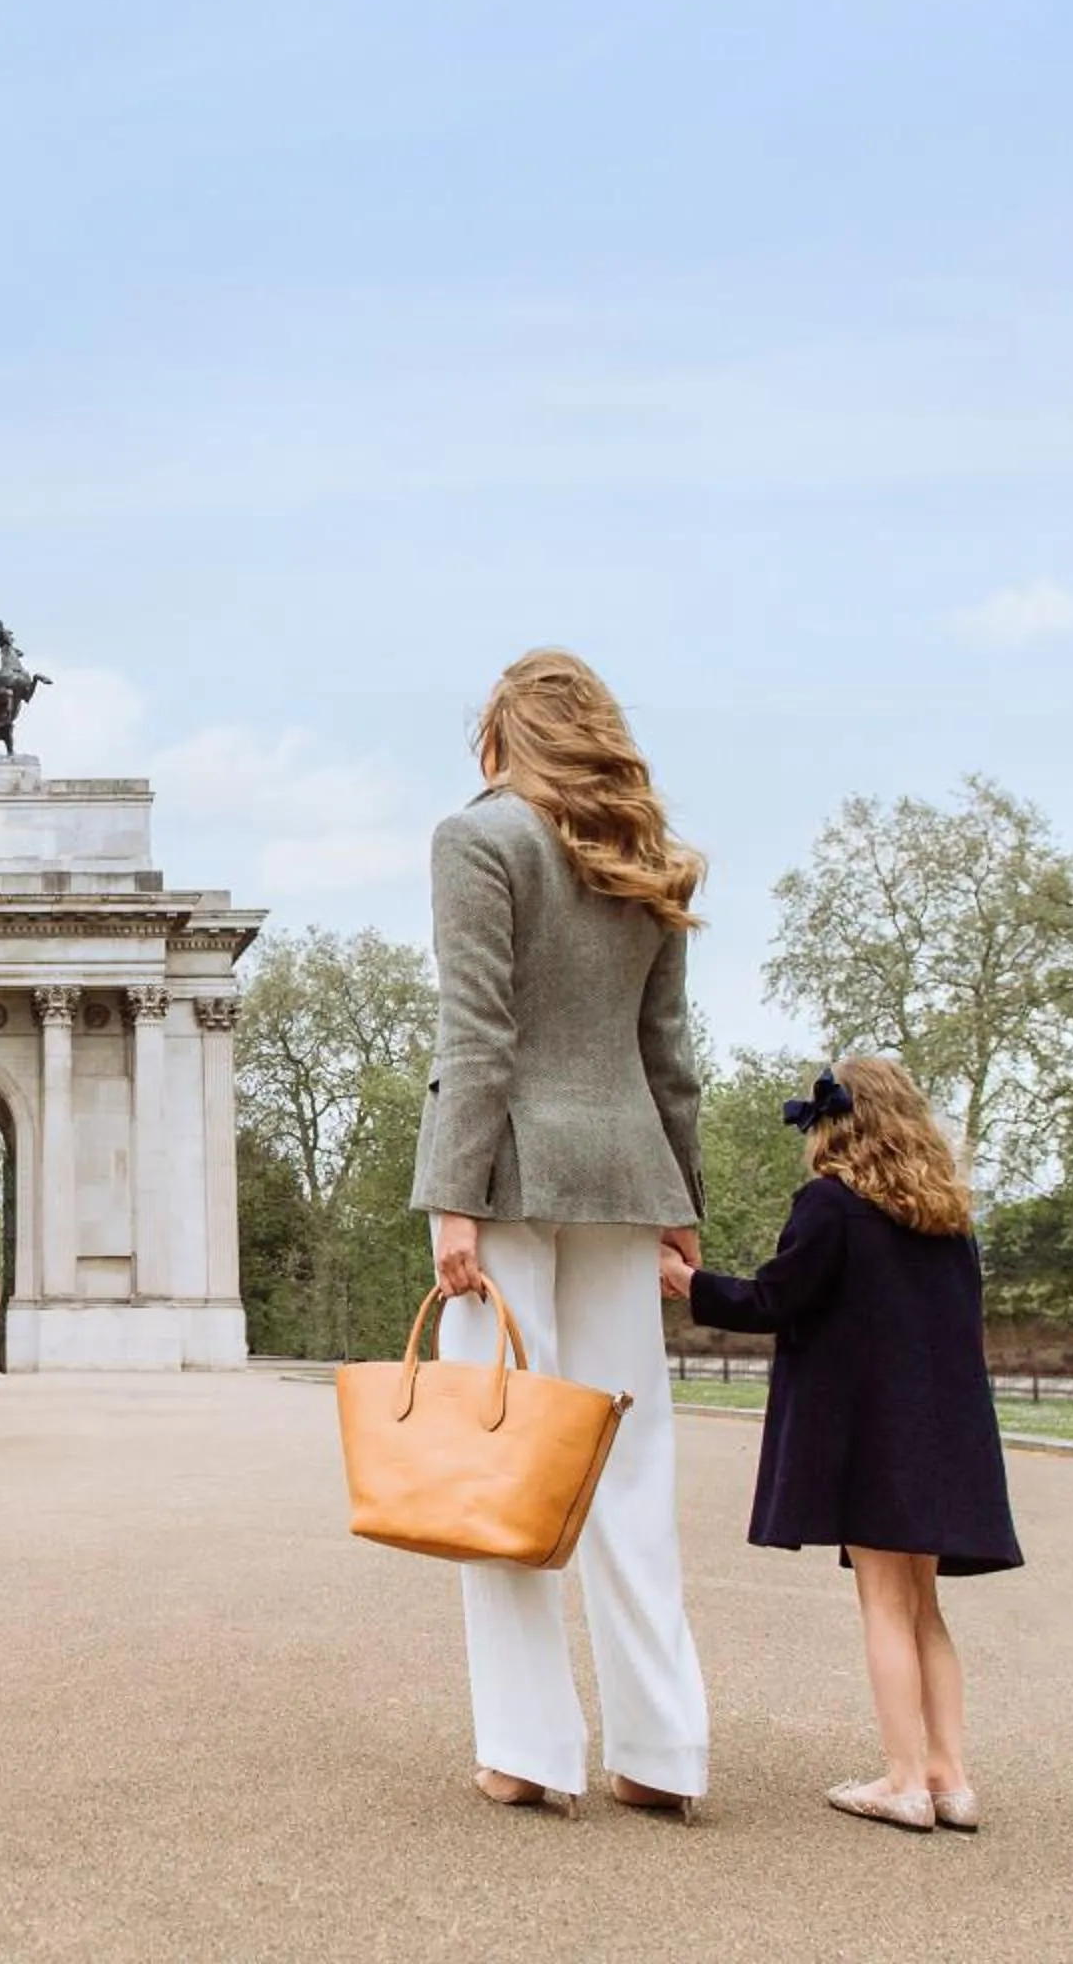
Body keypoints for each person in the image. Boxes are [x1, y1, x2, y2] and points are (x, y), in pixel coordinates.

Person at [412, 647, 711, 1821]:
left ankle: (529, 1747)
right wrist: (680, 1211)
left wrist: (453, 1197)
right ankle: (663, 1751)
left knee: (504, 1457)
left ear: (500, 734)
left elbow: (475, 1035)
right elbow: (668, 1057)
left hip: (512, 1172)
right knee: (631, 1466)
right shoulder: (648, 860)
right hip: (628, 1175)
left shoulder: (479, 838)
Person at [660, 1058, 1021, 1834]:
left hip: (872, 1434)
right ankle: (950, 1777)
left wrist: (689, 1280)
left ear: (837, 1124)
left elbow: (777, 1298)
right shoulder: (948, 1218)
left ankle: (902, 1781)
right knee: (925, 1607)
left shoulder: (832, 1205)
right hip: (944, 1432)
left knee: (885, 1606)